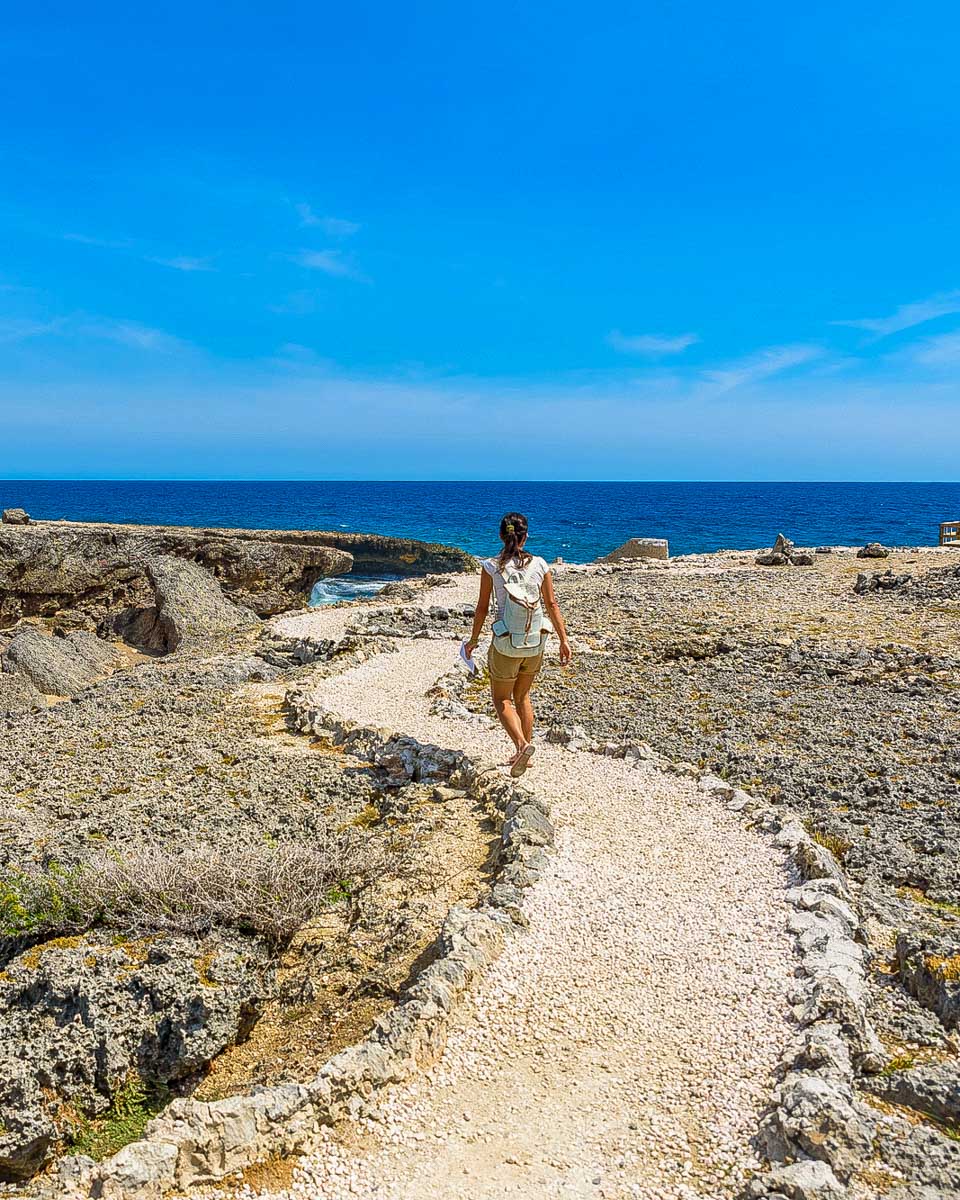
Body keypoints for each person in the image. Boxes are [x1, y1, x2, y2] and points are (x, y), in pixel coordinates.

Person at [464, 512, 571, 776]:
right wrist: (564, 640)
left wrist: (473, 641)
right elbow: (552, 604)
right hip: (535, 643)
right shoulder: (541, 565)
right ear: (526, 536)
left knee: (501, 699)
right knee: (522, 696)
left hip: (506, 644)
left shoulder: (491, 567)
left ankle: (522, 746)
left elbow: (481, 609)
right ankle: (525, 753)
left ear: (501, 536)